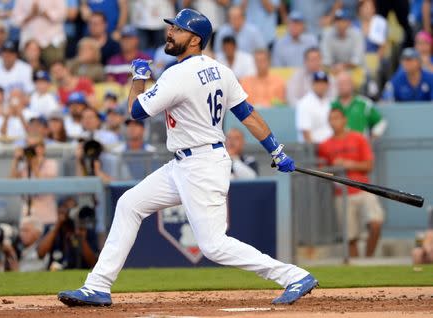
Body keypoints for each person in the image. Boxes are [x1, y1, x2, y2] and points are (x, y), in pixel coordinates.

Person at [58, 8, 318, 307]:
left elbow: (136, 112)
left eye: (178, 29)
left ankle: (292, 275)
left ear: (195, 39)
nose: (170, 33)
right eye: (172, 28)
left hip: (202, 165)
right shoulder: (221, 70)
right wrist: (275, 149)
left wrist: (138, 79)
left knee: (213, 246)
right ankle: (98, 286)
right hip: (185, 162)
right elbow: (247, 114)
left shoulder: (178, 75)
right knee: (130, 203)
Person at [318, 107, 385, 258]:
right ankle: (358, 270)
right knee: (350, 237)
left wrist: (349, 164)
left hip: (364, 189)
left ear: (344, 120)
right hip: (342, 194)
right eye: (331, 119)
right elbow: (323, 173)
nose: (334, 122)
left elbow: (369, 165)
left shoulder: (358, 138)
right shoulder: (325, 145)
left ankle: (368, 259)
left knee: (376, 223)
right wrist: (334, 169)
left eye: (337, 118)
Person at [10, 135, 59, 226]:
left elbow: (45, 188)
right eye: (28, 146)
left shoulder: (51, 164)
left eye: (34, 146)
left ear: (43, 148)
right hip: (27, 218)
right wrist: (16, 161)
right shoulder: (24, 166)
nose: (31, 150)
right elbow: (10, 185)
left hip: (46, 218)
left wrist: (34, 166)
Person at [11, 0, 67, 67]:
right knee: (27, 70)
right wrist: (31, 14)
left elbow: (62, 15)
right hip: (29, 40)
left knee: (55, 68)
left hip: (52, 40)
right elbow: (15, 21)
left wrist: (42, 11)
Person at [332, 71, 387, 139]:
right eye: (340, 83)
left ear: (352, 84)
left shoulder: (364, 104)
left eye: (345, 83)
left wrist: (373, 137)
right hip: (337, 147)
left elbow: (381, 122)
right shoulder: (331, 105)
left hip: (359, 147)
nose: (342, 86)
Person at [296, 71, 333, 144]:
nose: (321, 86)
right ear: (312, 84)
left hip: (330, 147)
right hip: (313, 148)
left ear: (328, 85)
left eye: (323, 83)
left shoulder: (330, 102)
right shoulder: (304, 103)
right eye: (318, 83)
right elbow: (305, 132)